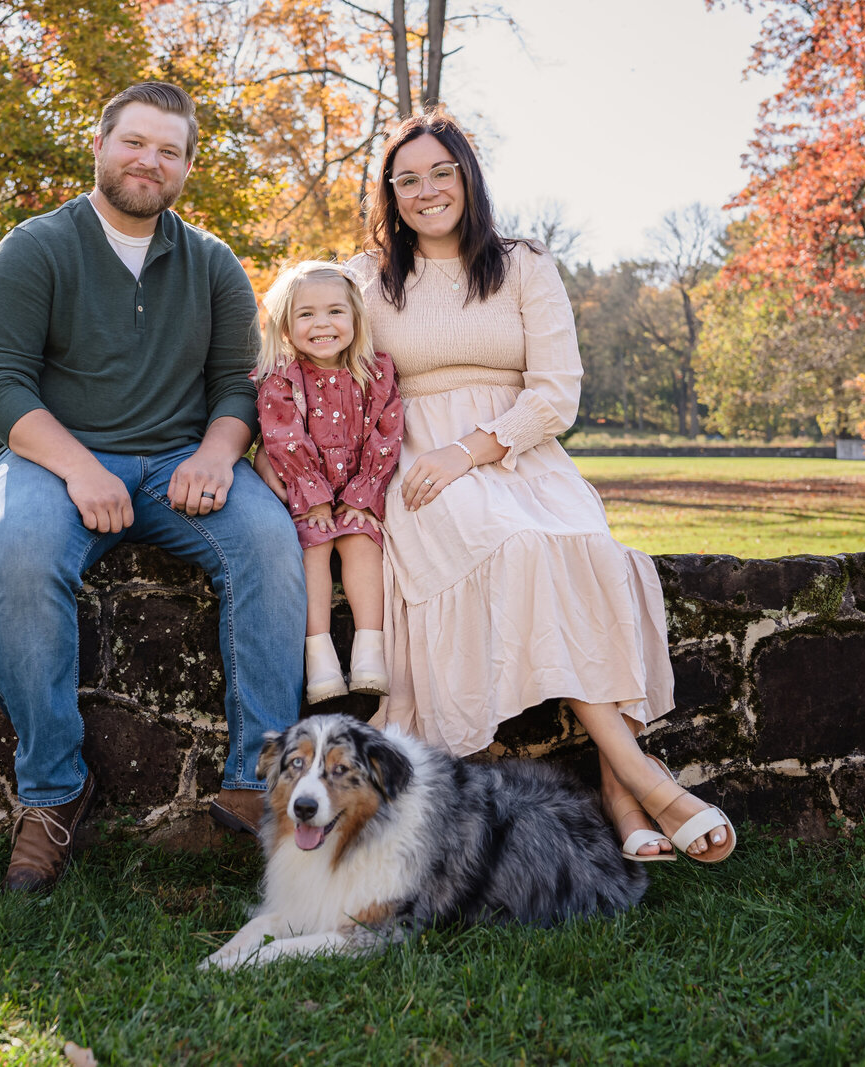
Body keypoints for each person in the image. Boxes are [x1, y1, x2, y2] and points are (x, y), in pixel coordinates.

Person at [258, 110, 735, 863]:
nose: (426, 190)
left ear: (468, 177)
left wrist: (471, 449)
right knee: (518, 548)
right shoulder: (364, 277)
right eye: (406, 179)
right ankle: (647, 780)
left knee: (594, 558)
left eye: (441, 172)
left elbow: (556, 393)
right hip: (414, 458)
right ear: (390, 192)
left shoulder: (523, 262)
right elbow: (305, 349)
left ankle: (620, 788)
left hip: (519, 451)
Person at [0, 82, 306, 892]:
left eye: (170, 150)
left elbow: (237, 384)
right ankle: (53, 794)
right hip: (53, 460)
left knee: (268, 539)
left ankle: (260, 780)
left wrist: (220, 454)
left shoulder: (214, 263)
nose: (150, 161)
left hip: (180, 465)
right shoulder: (35, 248)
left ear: (187, 166)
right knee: (24, 551)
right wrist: (80, 467)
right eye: (135, 143)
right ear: (99, 144)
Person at [254, 262, 403, 704]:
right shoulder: (282, 378)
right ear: (284, 324)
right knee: (312, 549)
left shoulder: (376, 373)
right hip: (306, 496)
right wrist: (314, 499)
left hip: (360, 490)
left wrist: (363, 496)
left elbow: (387, 433)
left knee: (362, 544)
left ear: (356, 319)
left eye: (335, 311)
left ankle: (369, 651)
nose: (322, 324)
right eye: (306, 315)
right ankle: (318, 655)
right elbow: (283, 439)